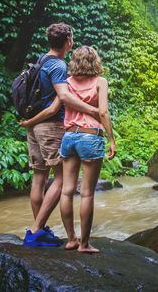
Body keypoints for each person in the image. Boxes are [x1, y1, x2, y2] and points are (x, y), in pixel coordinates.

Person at [22, 45, 116, 253]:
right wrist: (111, 139)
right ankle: (84, 243)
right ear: (95, 62)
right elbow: (104, 112)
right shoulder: (101, 82)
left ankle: (71, 240)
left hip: (69, 136)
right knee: (87, 193)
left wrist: (29, 122)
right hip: (91, 136)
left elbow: (53, 109)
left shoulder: (68, 83)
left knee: (66, 190)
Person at [18, 23, 98, 247]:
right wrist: (92, 110)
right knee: (61, 178)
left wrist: (29, 122)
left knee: (39, 178)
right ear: (68, 42)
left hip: (34, 127)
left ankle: (41, 230)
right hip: (50, 126)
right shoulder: (59, 66)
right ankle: (36, 231)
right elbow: (62, 98)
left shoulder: (41, 60)